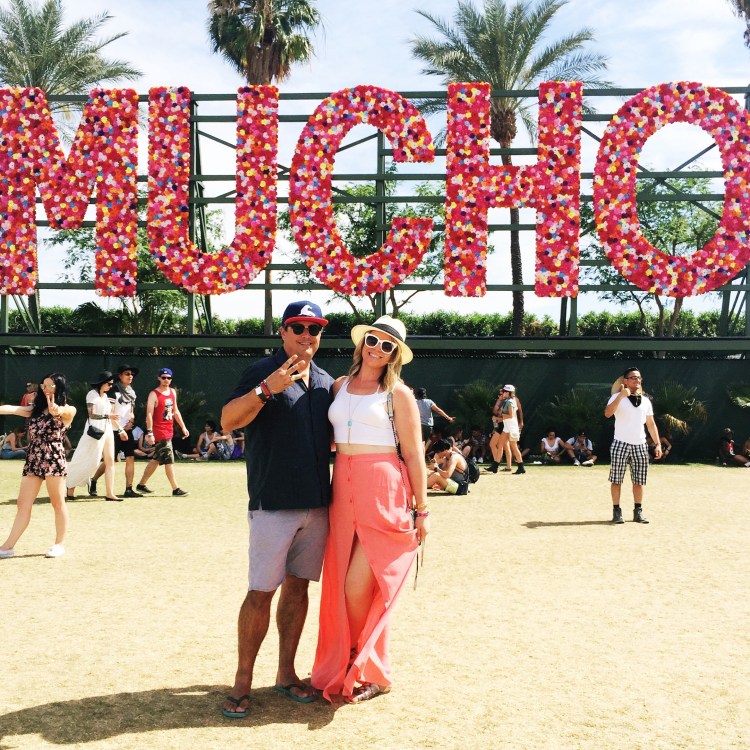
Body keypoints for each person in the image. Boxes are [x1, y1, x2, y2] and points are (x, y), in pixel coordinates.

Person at [220, 300, 334, 719]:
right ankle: (242, 682)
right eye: (298, 327)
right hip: (272, 504)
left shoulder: (326, 382)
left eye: (314, 328)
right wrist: (266, 389)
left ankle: (286, 674)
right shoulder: (261, 370)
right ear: (283, 331)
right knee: (260, 592)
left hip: (317, 506)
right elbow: (228, 420)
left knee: (299, 590)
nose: (307, 335)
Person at [312, 314, 429, 704]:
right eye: (373, 340)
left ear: (395, 354)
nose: (377, 349)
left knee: (359, 585)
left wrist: (422, 510)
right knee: (339, 583)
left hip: (383, 488)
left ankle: (367, 664)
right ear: (363, 343)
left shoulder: (399, 393)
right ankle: (351, 660)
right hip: (342, 486)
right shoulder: (338, 386)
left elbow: (413, 454)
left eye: (387, 345)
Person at [0, 373, 76, 559]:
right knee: (22, 503)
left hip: (54, 458)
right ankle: (7, 547)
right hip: (34, 458)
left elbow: (66, 413)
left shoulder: (68, 409)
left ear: (59, 388)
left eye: (50, 386)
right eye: (44, 385)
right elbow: (12, 409)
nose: (46, 389)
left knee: (57, 502)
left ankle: (59, 544)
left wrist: (56, 410)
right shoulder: (34, 409)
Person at [604, 367, 662, 524]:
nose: (637, 380)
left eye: (639, 378)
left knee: (639, 481)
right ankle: (617, 512)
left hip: (640, 445)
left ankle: (638, 512)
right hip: (620, 443)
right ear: (625, 380)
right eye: (633, 377)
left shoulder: (646, 401)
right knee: (616, 480)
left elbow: (651, 424)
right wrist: (621, 396)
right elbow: (607, 413)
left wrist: (658, 444)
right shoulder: (616, 397)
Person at [66, 371, 120, 502]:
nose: (111, 386)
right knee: (89, 460)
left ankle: (110, 493)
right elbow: (92, 414)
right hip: (95, 431)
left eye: (112, 384)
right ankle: (70, 486)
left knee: (110, 461)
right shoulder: (92, 394)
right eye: (109, 383)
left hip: (107, 430)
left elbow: (111, 416)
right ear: (102, 383)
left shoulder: (105, 396)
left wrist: (120, 430)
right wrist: (108, 416)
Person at [135, 368, 190, 497]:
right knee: (169, 461)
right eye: (163, 377)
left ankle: (141, 485)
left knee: (156, 459)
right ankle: (176, 489)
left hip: (169, 430)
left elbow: (175, 411)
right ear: (159, 378)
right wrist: (150, 433)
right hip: (159, 432)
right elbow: (149, 414)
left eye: (168, 378)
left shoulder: (172, 392)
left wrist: (183, 427)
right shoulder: (153, 394)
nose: (166, 380)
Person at [91, 364, 142, 498]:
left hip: (127, 430)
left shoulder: (131, 392)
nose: (130, 376)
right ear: (120, 376)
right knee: (110, 461)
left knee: (130, 457)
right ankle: (93, 480)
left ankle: (129, 489)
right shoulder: (113, 391)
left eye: (131, 374)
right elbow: (111, 413)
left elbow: (131, 412)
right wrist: (119, 429)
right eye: (127, 374)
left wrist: (131, 422)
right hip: (113, 431)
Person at [495, 385, 525, 474]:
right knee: (500, 444)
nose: (502, 393)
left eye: (504, 391)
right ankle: (495, 466)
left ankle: (521, 467)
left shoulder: (510, 402)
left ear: (508, 393)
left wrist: (500, 416)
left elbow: (511, 415)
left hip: (511, 428)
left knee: (514, 447)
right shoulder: (507, 401)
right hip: (507, 428)